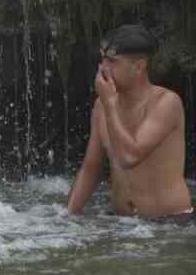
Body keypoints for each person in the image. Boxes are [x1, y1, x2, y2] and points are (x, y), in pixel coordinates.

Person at [65, 24, 191, 219]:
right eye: (102, 59)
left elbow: (129, 157)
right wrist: (68, 216)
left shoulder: (166, 102)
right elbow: (91, 167)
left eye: (112, 61)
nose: (103, 68)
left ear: (139, 66)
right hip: (122, 223)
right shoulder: (102, 105)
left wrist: (109, 104)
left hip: (168, 224)